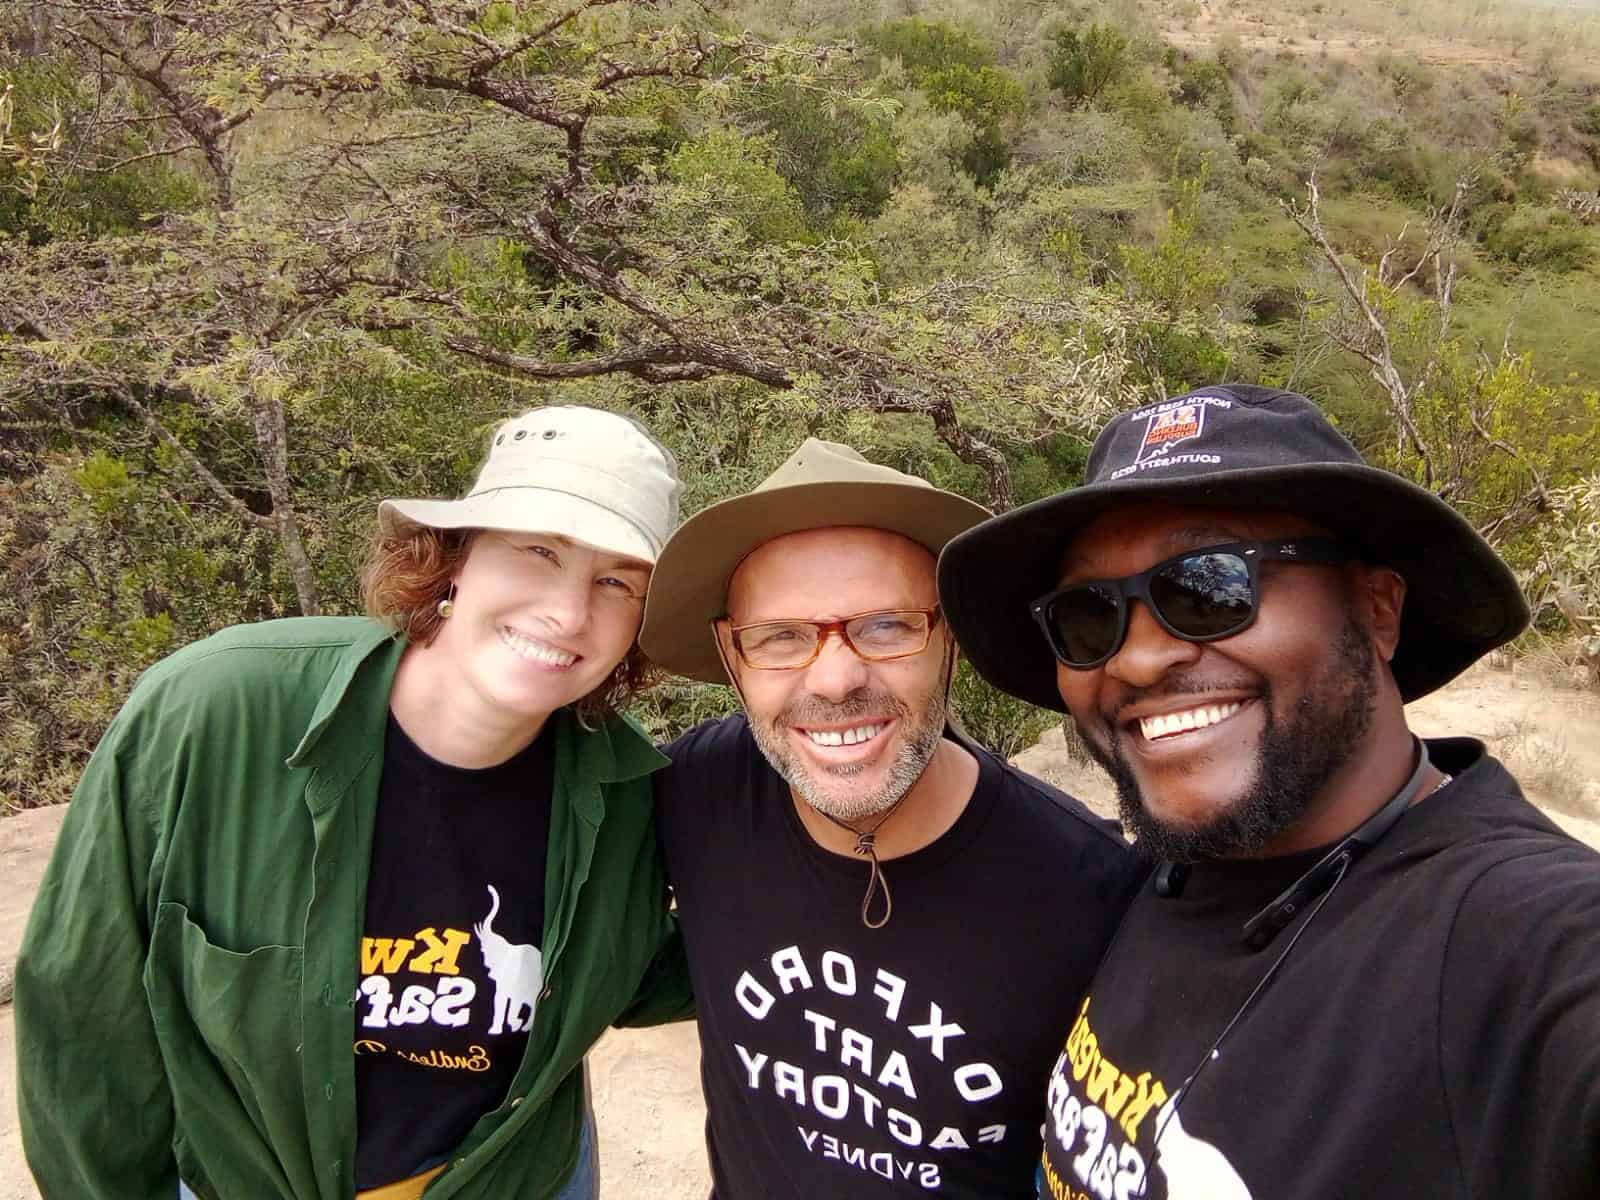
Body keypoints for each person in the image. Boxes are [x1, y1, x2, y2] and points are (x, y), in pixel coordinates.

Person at [938, 384, 1600, 1200]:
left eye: (1209, 587)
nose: (1138, 662)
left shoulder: (1522, 944)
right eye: (1088, 616)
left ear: (1378, 607)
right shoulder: (1178, 865)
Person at [16, 405, 693, 1200]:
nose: (569, 612)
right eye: (538, 552)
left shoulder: (625, 789)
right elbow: (82, 1007)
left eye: (617, 582)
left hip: (517, 1181)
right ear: (455, 559)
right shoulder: (214, 714)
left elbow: (637, 967)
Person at [637, 438, 1145, 1199]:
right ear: (731, 654)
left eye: (886, 626)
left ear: (950, 639)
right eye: (782, 637)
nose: (837, 678)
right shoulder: (696, 791)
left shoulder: (1095, 895)